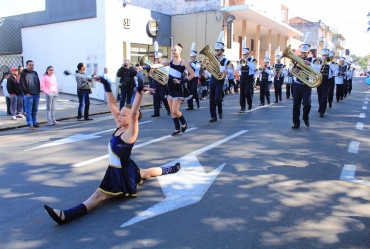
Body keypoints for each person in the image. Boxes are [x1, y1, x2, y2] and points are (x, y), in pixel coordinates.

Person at [44, 77, 181, 225]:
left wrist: (140, 93)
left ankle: (65, 216)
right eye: (120, 113)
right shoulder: (119, 125)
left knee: (97, 195)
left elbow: (134, 113)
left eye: (124, 115)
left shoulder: (130, 132)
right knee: (145, 173)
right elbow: (111, 103)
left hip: (121, 173)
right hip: (125, 167)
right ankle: (171, 168)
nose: (120, 116)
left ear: (132, 118)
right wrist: (106, 84)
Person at [144, 43, 195, 135]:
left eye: (175, 50)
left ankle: (183, 122)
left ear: (180, 51)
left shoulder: (183, 62)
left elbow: (192, 75)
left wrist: (182, 81)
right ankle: (177, 129)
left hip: (178, 87)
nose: (173, 51)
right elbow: (158, 65)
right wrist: (146, 66)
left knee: (175, 110)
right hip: (169, 86)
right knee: (172, 110)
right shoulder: (169, 62)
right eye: (172, 50)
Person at [291, 32, 314, 128]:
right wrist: (294, 70)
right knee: (296, 104)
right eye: (302, 52)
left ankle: (305, 117)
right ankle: (296, 122)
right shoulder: (297, 59)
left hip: (307, 85)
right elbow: (292, 69)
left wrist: (310, 65)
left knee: (306, 104)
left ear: (308, 53)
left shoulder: (313, 60)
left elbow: (318, 69)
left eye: (305, 53)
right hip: (297, 84)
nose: (303, 54)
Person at [207, 31, 229, 122]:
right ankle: (213, 116)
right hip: (213, 79)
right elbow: (209, 70)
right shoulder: (213, 59)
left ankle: (220, 110)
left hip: (220, 80)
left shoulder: (226, 60)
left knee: (217, 98)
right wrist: (208, 67)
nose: (216, 52)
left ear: (222, 51)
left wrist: (226, 71)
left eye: (218, 50)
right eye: (216, 50)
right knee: (211, 99)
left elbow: (230, 71)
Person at [149, 41, 171, 117]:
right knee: (155, 98)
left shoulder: (165, 64)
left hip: (162, 82)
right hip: (155, 82)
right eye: (156, 58)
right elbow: (151, 75)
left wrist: (157, 67)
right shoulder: (155, 64)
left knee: (163, 97)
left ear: (161, 58)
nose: (157, 59)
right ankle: (156, 113)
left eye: (158, 58)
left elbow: (166, 72)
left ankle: (169, 109)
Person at [20, 60, 42, 129]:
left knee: (35, 110)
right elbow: (22, 83)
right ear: (26, 66)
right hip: (29, 95)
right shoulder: (23, 73)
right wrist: (26, 93)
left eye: (32, 65)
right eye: (30, 65)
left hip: (36, 94)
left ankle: (35, 122)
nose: (31, 66)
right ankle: (30, 124)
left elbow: (38, 82)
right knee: (28, 110)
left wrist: (38, 91)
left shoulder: (35, 73)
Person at [235, 39, 256, 113]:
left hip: (249, 78)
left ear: (248, 53)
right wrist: (241, 63)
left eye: (246, 54)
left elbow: (254, 68)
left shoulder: (253, 60)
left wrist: (247, 62)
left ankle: (249, 103)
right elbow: (236, 69)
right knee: (242, 93)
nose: (244, 56)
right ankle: (242, 107)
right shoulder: (240, 60)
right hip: (242, 77)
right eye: (243, 54)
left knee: (247, 92)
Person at [186, 42, 201, 110]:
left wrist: (191, 64)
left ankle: (197, 102)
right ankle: (190, 106)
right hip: (189, 77)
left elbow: (197, 68)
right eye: (191, 56)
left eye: (193, 56)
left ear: (195, 56)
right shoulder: (189, 62)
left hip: (195, 77)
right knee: (188, 92)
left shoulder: (197, 62)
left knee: (193, 91)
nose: (192, 57)